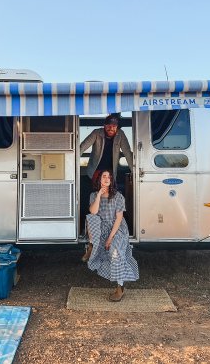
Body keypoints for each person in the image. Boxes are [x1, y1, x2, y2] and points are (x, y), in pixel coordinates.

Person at [82, 170, 139, 302]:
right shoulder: (93, 195)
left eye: (109, 177)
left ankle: (120, 287)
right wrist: (98, 196)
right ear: (100, 180)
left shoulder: (118, 196)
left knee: (116, 253)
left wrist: (110, 238)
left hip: (117, 229)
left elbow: (119, 219)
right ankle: (92, 245)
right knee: (91, 217)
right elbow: (93, 211)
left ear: (111, 181)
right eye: (104, 176)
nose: (107, 179)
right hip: (102, 227)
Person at [80, 114, 133, 183]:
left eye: (114, 126)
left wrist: (134, 171)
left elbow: (127, 152)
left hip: (111, 171)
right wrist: (72, 164)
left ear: (117, 127)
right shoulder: (96, 133)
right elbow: (82, 147)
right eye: (109, 126)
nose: (111, 128)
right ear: (104, 125)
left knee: (110, 191)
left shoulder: (120, 134)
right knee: (96, 191)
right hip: (96, 170)